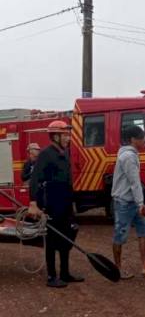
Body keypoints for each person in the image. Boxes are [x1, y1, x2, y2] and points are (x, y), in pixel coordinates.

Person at [28, 120, 84, 288]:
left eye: (68, 134)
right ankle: (52, 277)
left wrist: (72, 202)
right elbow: (35, 179)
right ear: (56, 136)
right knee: (52, 241)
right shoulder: (46, 154)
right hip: (51, 202)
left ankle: (65, 273)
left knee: (68, 235)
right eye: (66, 135)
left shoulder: (65, 152)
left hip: (66, 201)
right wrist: (33, 203)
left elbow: (68, 180)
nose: (68, 138)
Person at [111, 125, 145, 279]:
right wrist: (141, 204)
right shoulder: (128, 157)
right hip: (124, 201)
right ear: (133, 140)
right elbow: (134, 182)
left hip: (130, 201)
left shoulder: (129, 154)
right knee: (120, 234)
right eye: (142, 138)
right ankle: (118, 269)